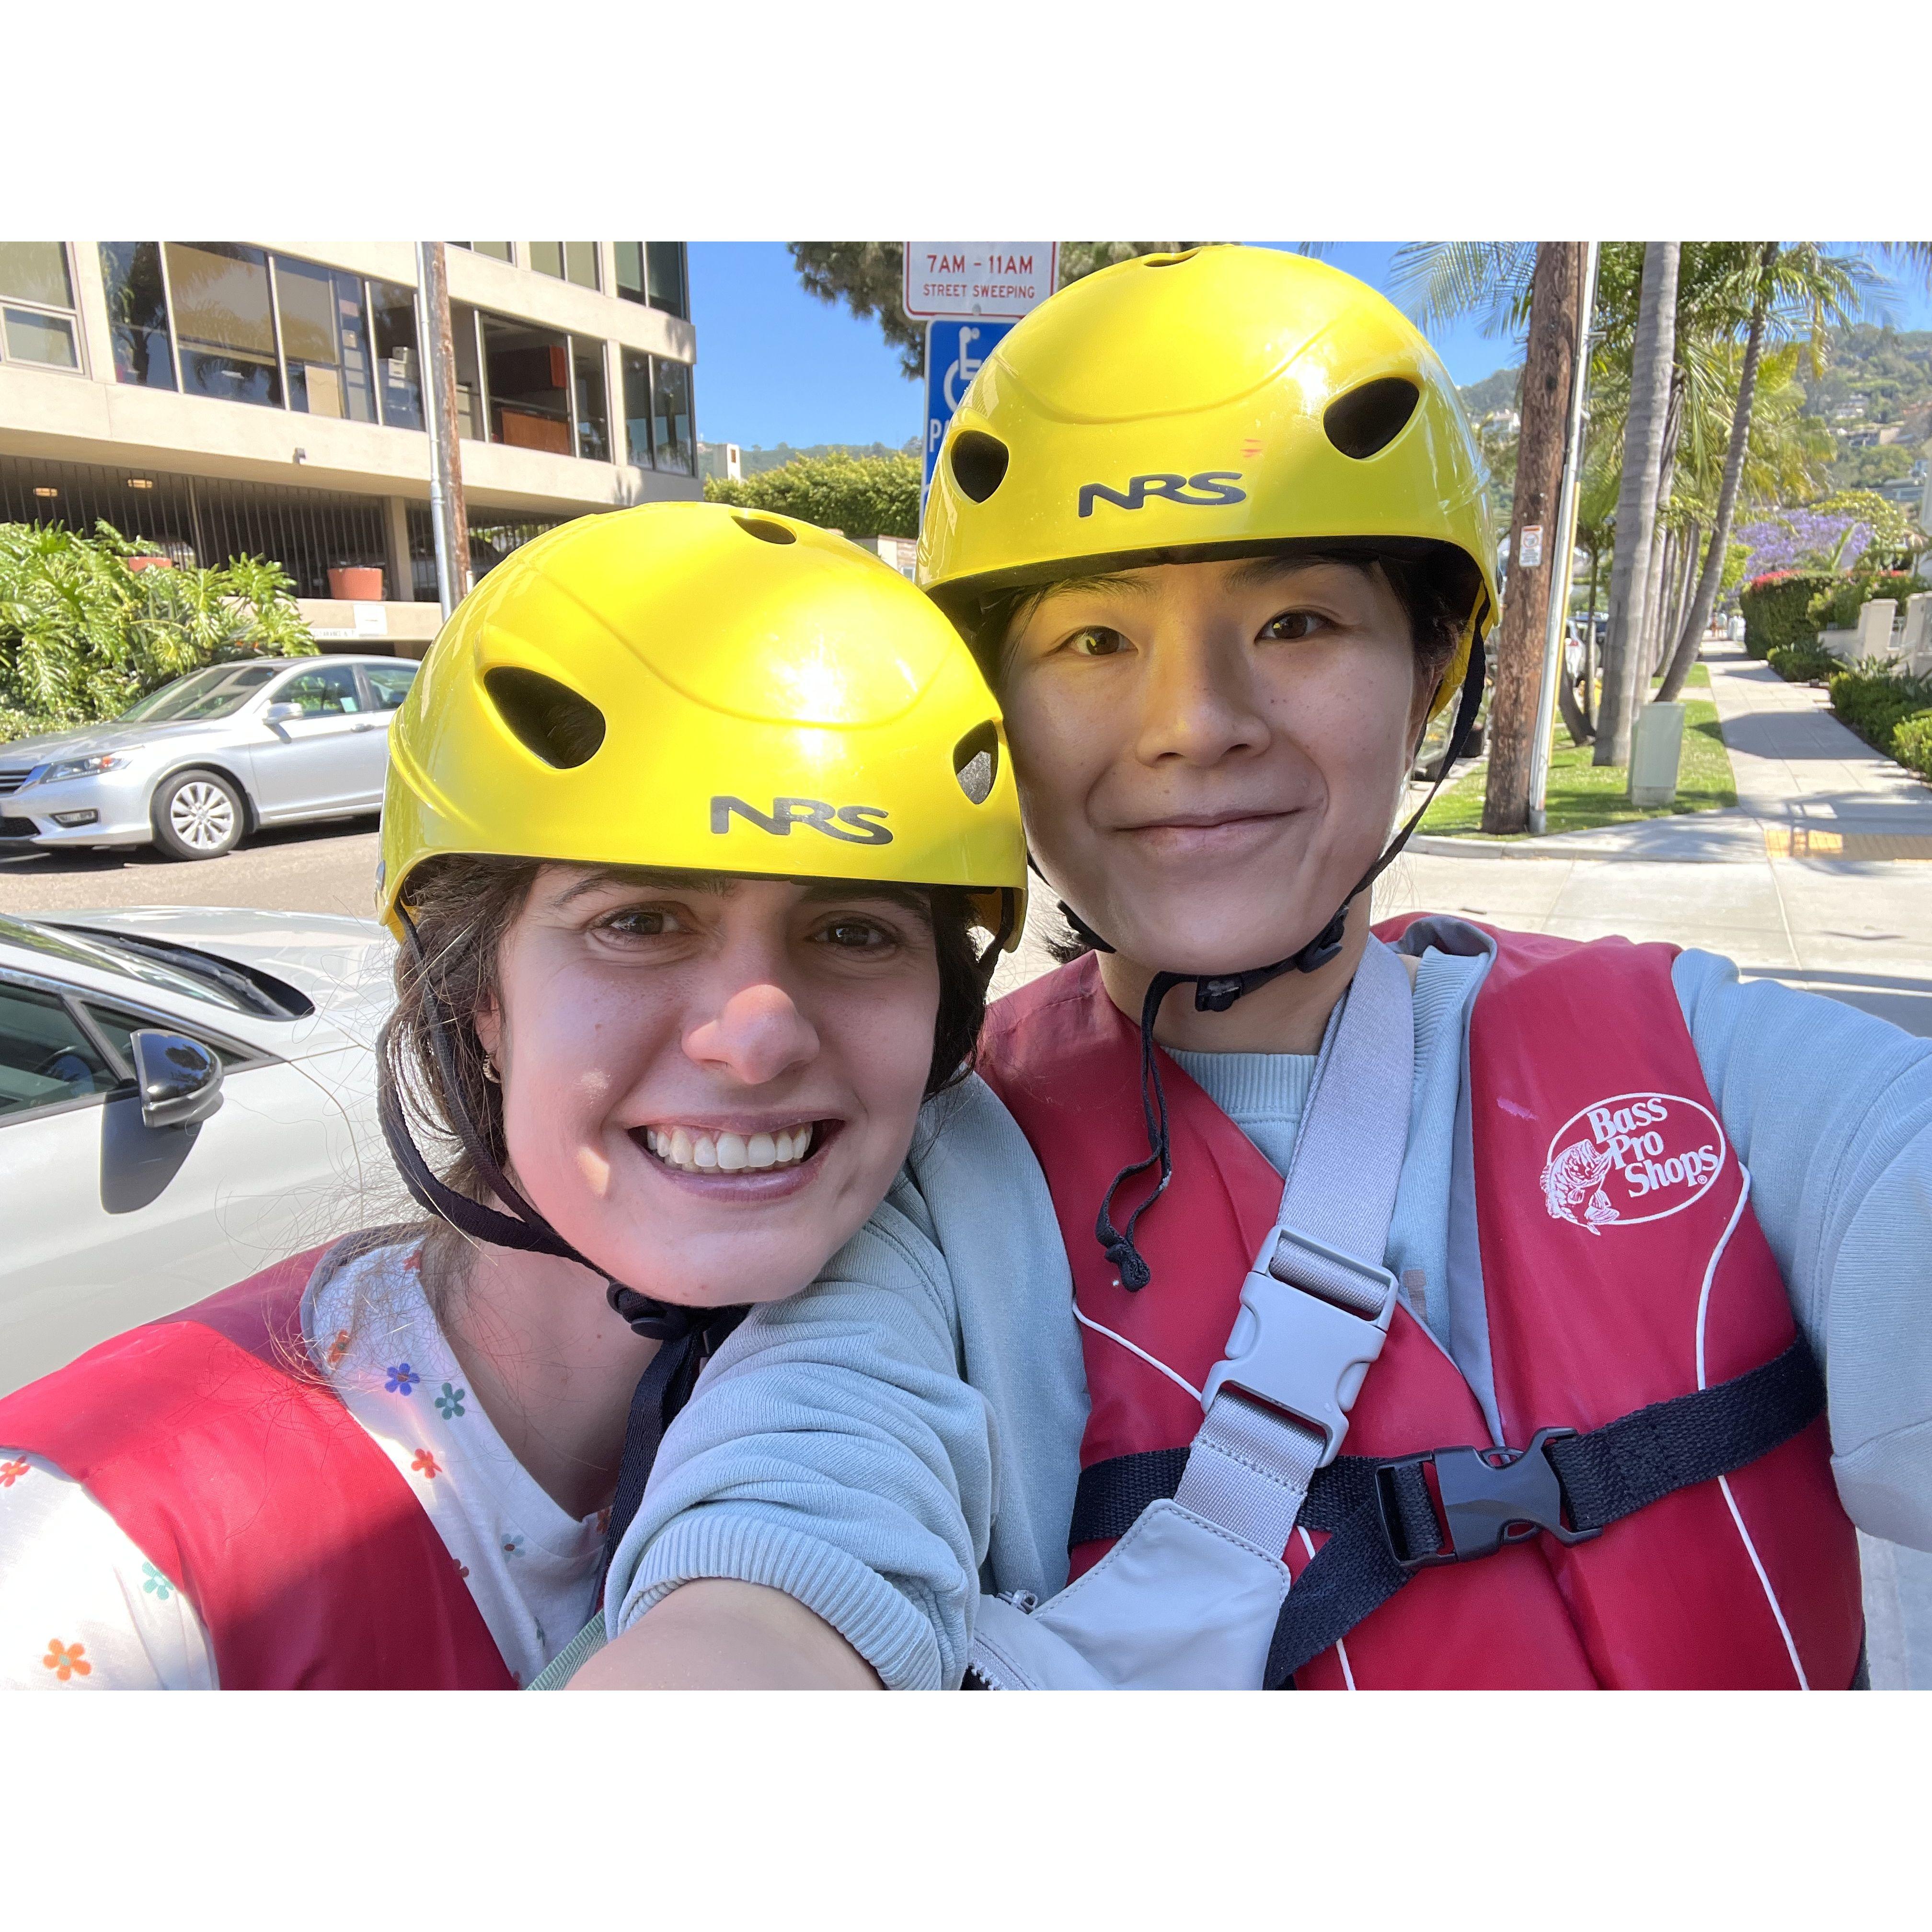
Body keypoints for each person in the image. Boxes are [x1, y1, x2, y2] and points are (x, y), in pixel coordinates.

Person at [582, 246, 1932, 1690]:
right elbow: (790, 1525)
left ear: (1430, 674)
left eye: (1296, 623)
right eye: (1095, 638)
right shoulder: (933, 1195)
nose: (1194, 724)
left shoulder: (1717, 1068)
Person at [0, 502, 1025, 1690]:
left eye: (854, 931)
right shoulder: (101, 1568)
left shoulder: (951, 1313)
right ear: (476, 994)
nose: (755, 1038)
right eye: (638, 922)